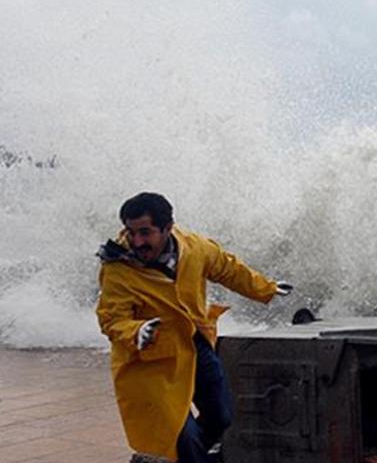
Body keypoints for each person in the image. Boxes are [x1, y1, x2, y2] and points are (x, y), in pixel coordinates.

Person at [96, 192, 292, 463]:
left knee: (221, 416)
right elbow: (111, 319)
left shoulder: (194, 248)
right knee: (181, 436)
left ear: (168, 227)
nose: (137, 241)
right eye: (131, 232)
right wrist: (136, 331)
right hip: (149, 362)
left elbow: (227, 268)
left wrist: (265, 288)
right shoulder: (118, 269)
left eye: (145, 232)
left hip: (194, 344)